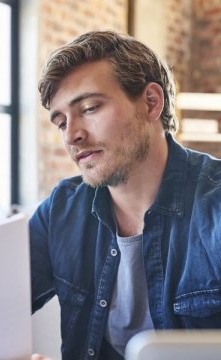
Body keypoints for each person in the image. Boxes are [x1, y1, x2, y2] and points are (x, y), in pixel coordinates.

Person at [29, 30, 221, 360]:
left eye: (89, 108)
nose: (72, 135)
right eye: (61, 122)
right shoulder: (60, 211)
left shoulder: (214, 206)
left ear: (151, 103)